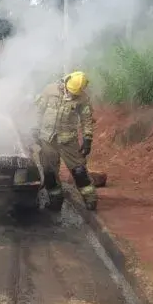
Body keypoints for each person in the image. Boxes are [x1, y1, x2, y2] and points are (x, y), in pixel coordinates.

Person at [33, 71, 97, 211]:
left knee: (79, 171)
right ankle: (55, 200)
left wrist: (87, 139)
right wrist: (35, 129)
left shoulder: (83, 98)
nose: (72, 95)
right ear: (66, 83)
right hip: (47, 139)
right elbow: (38, 111)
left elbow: (86, 120)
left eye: (75, 93)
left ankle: (90, 199)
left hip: (68, 141)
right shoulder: (49, 90)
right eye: (70, 91)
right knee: (49, 172)